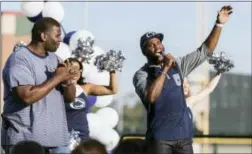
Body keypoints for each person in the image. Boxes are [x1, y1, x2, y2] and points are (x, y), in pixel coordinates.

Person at [133, 5, 232, 154]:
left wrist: (219, 25)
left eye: (159, 42)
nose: (157, 46)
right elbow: (151, 98)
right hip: (160, 139)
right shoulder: (142, 74)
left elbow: (205, 51)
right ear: (144, 51)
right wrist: (165, 68)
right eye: (151, 45)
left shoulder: (178, 65)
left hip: (184, 138)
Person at [1, 17, 79, 153]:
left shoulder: (55, 59)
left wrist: (67, 81)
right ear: (43, 35)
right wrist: (58, 77)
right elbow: (26, 96)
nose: (60, 40)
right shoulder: (20, 59)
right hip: (25, 142)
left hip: (54, 143)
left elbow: (70, 98)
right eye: (57, 35)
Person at [54, 57, 118, 153]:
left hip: (82, 136)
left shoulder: (86, 88)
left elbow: (112, 90)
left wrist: (112, 71)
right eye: (71, 68)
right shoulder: (56, 88)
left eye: (77, 69)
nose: (74, 71)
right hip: (62, 138)